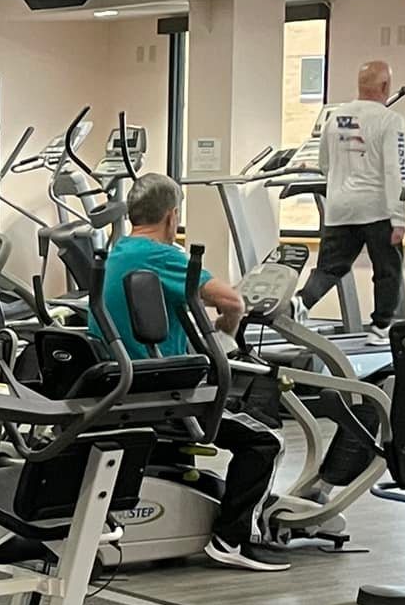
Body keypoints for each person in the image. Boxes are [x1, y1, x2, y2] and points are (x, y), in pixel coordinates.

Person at [92, 172, 289, 573]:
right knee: (266, 440)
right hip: (162, 394)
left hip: (121, 386)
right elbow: (232, 301)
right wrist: (226, 335)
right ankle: (232, 539)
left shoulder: (118, 251)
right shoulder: (162, 256)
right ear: (172, 216)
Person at [300, 58, 405, 341]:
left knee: (329, 268)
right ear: (386, 85)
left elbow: (324, 163)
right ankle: (381, 327)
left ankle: (300, 303)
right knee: (388, 269)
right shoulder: (390, 120)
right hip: (377, 209)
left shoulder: (335, 117)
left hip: (339, 207)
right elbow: (395, 170)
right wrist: (399, 218)